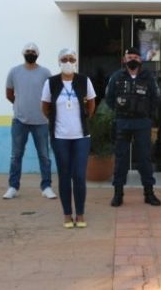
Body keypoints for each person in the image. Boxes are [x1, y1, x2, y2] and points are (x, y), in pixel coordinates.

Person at [42, 49, 96, 228]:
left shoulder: (84, 80)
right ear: (59, 62)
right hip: (60, 137)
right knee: (64, 175)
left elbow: (91, 102)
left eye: (71, 59)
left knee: (79, 176)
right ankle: (67, 214)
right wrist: (55, 121)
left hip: (81, 136)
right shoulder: (51, 82)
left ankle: (80, 214)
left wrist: (85, 116)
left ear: (76, 62)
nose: (68, 62)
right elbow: (45, 107)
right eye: (64, 59)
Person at [105, 47, 161, 207]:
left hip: (142, 122)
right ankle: (118, 194)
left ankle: (149, 193)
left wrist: (147, 115)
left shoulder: (148, 77)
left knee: (144, 158)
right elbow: (109, 99)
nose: (132, 59)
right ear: (124, 59)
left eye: (135, 56)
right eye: (129, 56)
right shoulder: (117, 77)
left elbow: (156, 98)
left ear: (141, 60)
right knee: (121, 159)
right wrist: (120, 111)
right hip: (122, 121)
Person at [3, 43, 56, 199]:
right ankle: (13, 187)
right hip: (20, 120)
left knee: (44, 156)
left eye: (33, 51)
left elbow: (50, 95)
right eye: (28, 51)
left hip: (41, 121)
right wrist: (20, 105)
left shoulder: (45, 72)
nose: (30, 53)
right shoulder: (14, 71)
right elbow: (9, 94)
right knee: (16, 155)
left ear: (37, 54)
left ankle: (46, 187)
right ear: (23, 53)